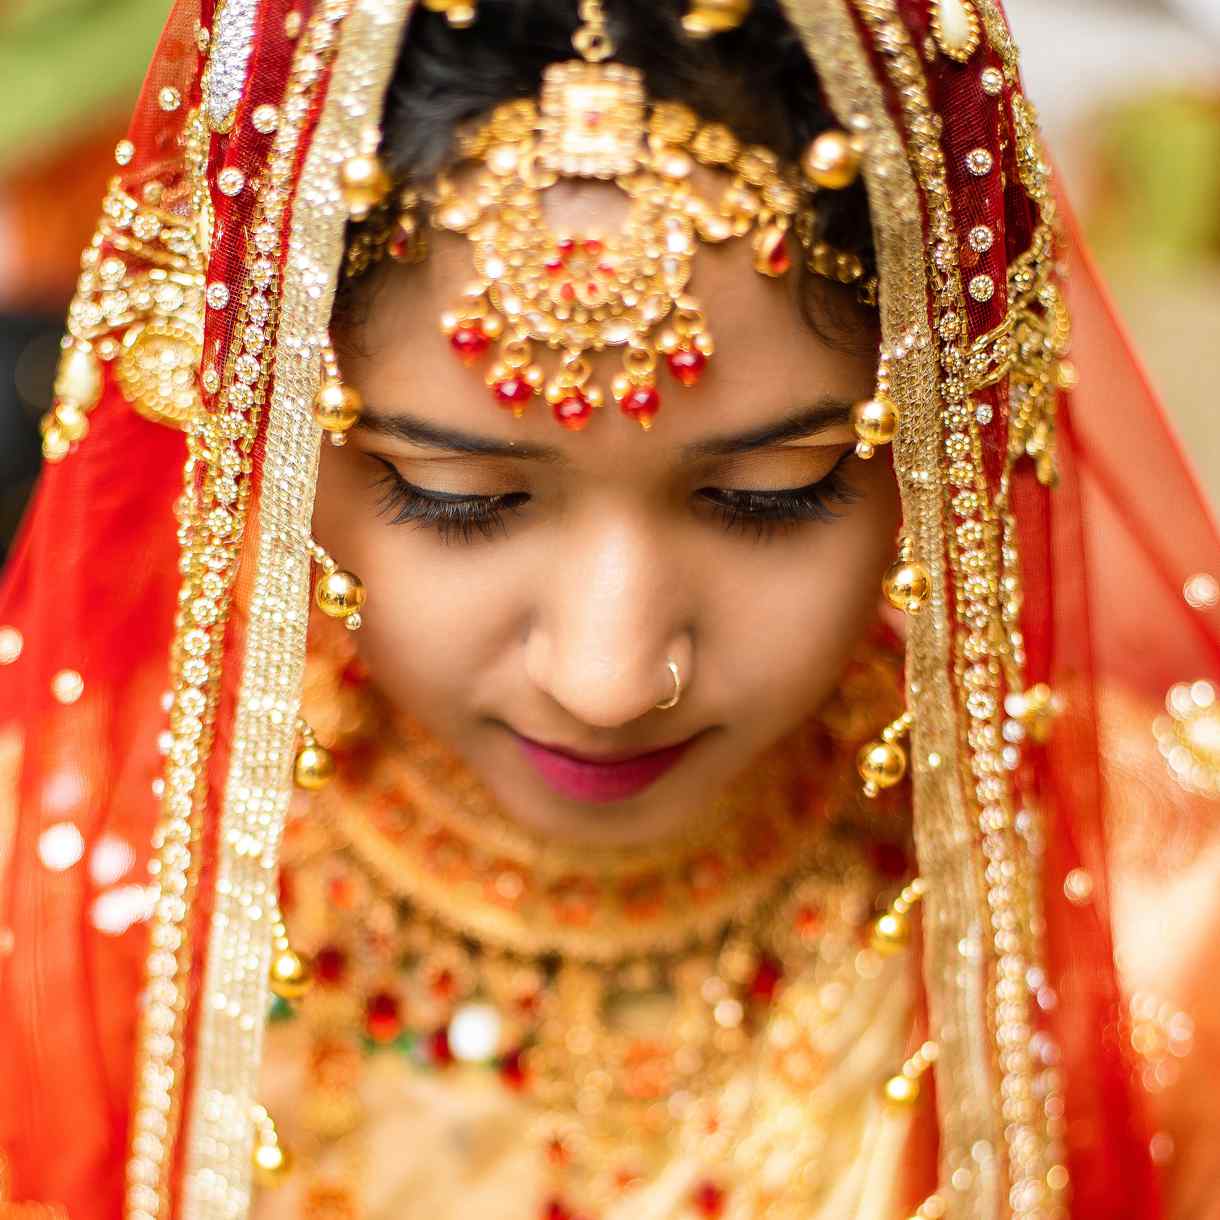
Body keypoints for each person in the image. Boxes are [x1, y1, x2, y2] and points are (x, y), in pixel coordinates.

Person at [1, 1, 1218, 1218]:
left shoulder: (1169, 944)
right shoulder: (53, 903)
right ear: (254, 422)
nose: (609, 677)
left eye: (765, 498)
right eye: (459, 497)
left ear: (952, 432)